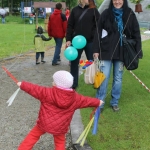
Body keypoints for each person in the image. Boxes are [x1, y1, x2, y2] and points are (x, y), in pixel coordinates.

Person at [17, 70, 103, 150]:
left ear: (58, 84)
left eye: (54, 81)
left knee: (33, 136)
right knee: (60, 142)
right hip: (60, 127)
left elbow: (34, 89)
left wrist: (22, 85)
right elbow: (86, 101)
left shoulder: (47, 92)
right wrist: (98, 102)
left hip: (44, 123)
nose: (52, 82)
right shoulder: (76, 98)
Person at [93, 0, 143, 112]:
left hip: (121, 52)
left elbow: (136, 33)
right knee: (103, 77)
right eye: (114, 0)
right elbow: (97, 32)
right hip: (105, 52)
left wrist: (138, 51)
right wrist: (96, 50)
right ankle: (99, 103)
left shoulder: (129, 13)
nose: (117, 2)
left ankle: (114, 102)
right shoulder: (106, 13)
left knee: (118, 78)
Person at [66, 0, 100, 89]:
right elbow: (70, 25)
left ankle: (94, 80)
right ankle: (73, 83)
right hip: (76, 42)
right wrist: (68, 39)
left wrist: (94, 37)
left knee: (92, 62)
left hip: (90, 41)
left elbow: (98, 26)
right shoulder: (74, 10)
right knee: (74, 62)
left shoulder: (93, 10)